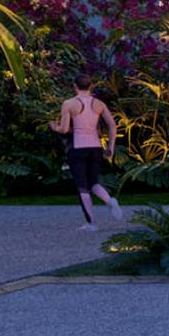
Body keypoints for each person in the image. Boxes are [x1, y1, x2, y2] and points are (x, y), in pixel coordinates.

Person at [50, 74, 124, 228]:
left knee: (83, 187)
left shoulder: (69, 104)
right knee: (94, 183)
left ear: (75, 86)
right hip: (95, 148)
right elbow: (112, 125)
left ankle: (91, 224)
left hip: (78, 148)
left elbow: (64, 129)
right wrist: (110, 146)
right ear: (90, 86)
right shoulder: (99, 104)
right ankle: (110, 201)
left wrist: (54, 127)